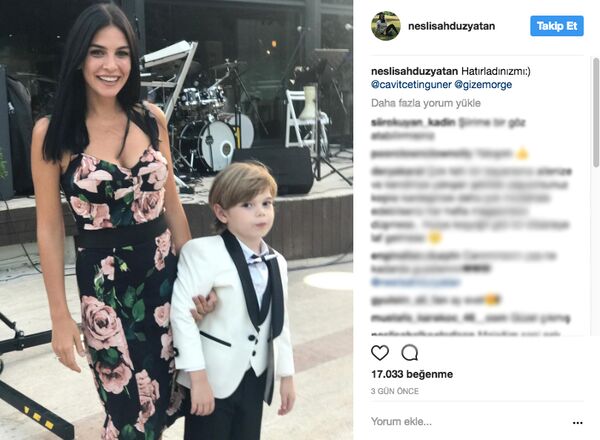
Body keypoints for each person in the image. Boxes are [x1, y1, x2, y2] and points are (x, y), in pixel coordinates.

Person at [31, 3, 214, 438]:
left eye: (121, 53)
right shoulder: (53, 132)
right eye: (97, 52)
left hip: (167, 280)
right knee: (130, 417)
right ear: (79, 58)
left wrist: (197, 279)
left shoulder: (151, 119)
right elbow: (50, 229)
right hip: (106, 294)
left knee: (170, 400)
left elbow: (173, 207)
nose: (110, 66)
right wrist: (59, 315)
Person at [171, 162, 296, 440]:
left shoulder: (277, 261)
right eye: (247, 205)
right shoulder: (203, 252)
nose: (261, 211)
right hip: (212, 378)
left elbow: (281, 321)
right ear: (221, 213)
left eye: (266, 203)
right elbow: (182, 315)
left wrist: (286, 375)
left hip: (255, 376)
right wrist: (198, 379)